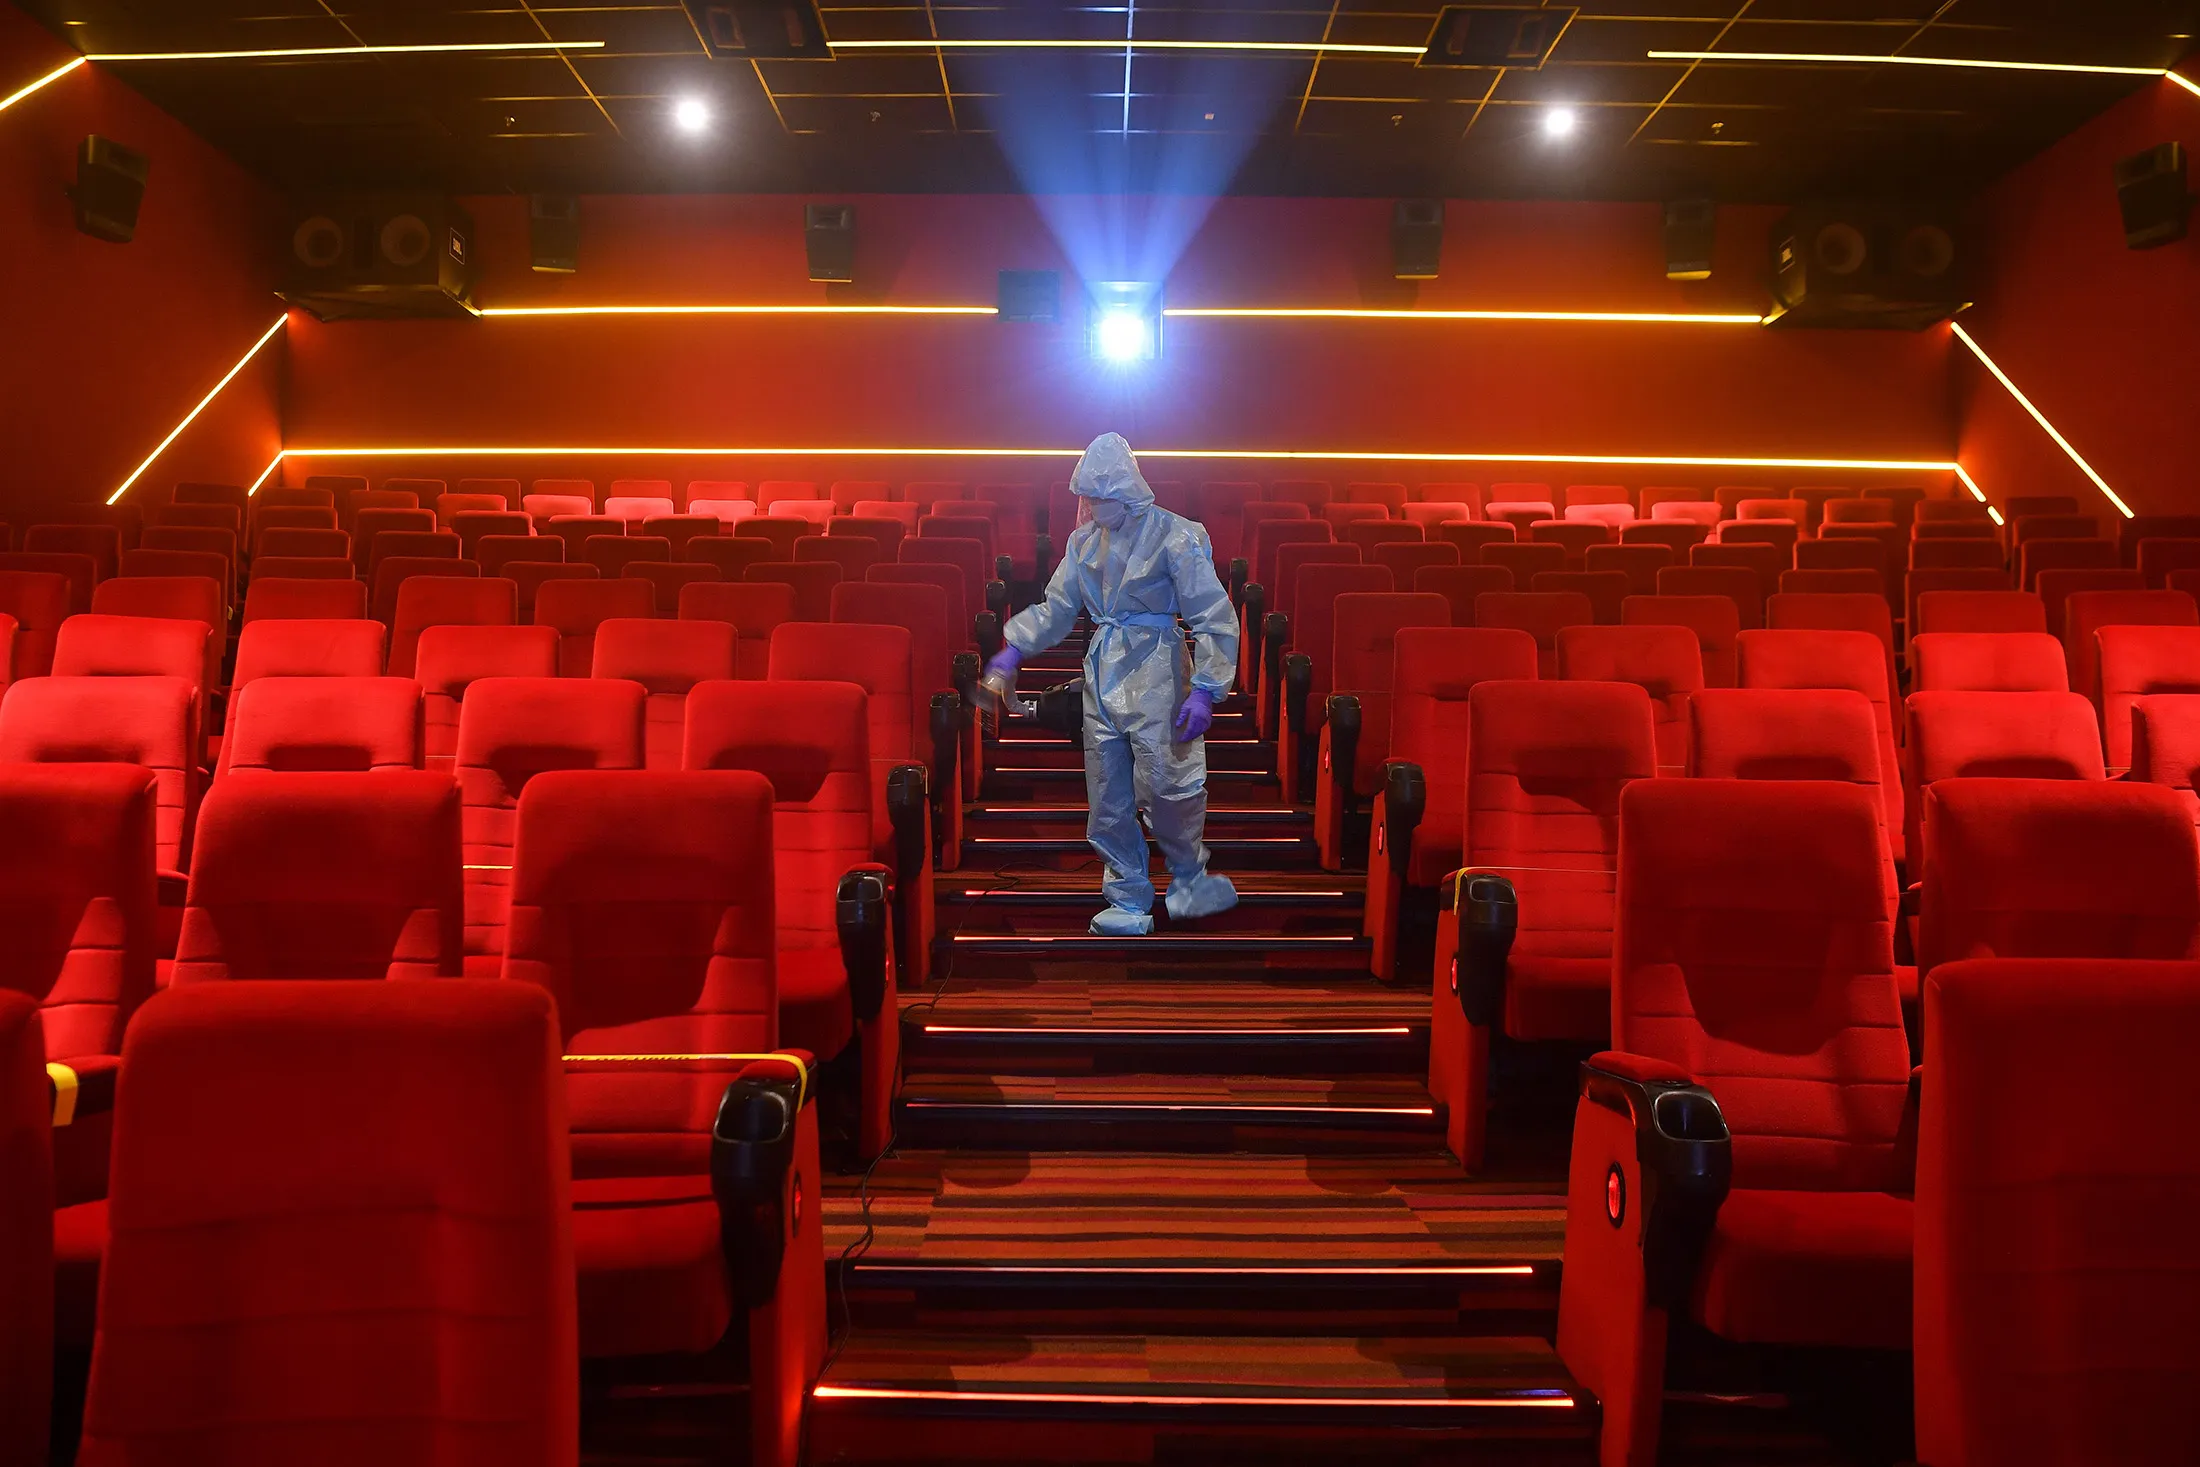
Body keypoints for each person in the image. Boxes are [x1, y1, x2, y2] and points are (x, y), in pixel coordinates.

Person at [984, 433, 1240, 935]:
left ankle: (1188, 879)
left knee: (1171, 786)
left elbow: (1214, 615)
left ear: (1129, 490)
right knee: (1108, 794)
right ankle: (1126, 895)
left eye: (1104, 498)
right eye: (1090, 499)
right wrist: (1013, 647)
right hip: (1103, 672)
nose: (1095, 509)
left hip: (1161, 670)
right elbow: (1056, 607)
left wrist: (1207, 688)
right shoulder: (1083, 545)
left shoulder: (1177, 536)